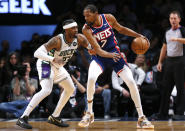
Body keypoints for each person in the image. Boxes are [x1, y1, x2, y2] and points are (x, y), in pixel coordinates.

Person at [16, 19, 119, 129]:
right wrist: (52, 59)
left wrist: (101, 51)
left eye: (76, 27)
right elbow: (37, 53)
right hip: (46, 63)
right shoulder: (57, 40)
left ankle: (55, 116)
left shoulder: (80, 38)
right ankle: (23, 117)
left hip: (59, 67)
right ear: (66, 30)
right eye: (73, 28)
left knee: (70, 88)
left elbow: (93, 49)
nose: (76, 30)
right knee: (47, 90)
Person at [78, 4, 154, 129]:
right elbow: (97, 50)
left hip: (115, 55)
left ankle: (141, 118)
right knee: (91, 78)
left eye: (88, 15)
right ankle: (89, 113)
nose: (85, 18)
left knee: (131, 82)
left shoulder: (108, 18)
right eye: (84, 16)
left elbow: (121, 29)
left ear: (96, 13)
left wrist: (138, 35)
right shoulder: (86, 29)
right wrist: (109, 55)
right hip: (101, 57)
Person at [156, 10, 185, 120]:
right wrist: (160, 62)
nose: (173, 20)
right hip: (169, 61)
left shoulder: (182, 30)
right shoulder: (167, 31)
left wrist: (177, 39)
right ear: (169, 20)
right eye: (171, 18)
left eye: (175, 18)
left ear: (179, 19)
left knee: (180, 88)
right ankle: (163, 113)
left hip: (180, 61)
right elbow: (164, 48)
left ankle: (180, 113)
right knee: (166, 88)